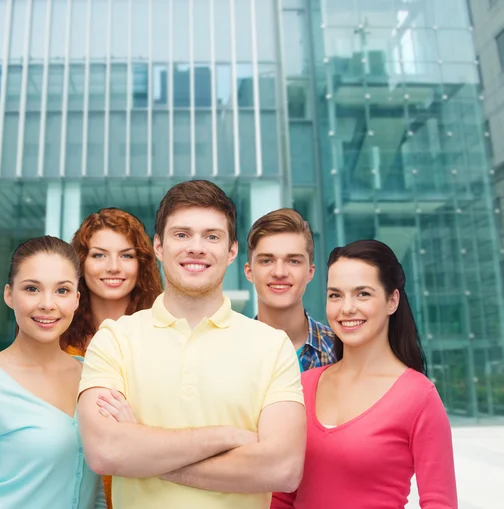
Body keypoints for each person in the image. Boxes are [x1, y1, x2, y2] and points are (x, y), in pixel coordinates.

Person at [77, 180, 306, 509]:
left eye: (211, 236)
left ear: (231, 251)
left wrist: (143, 451)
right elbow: (105, 452)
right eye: (181, 234)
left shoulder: (272, 346)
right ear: (158, 246)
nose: (196, 247)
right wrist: (226, 437)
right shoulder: (115, 339)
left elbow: (282, 469)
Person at [271, 240, 457, 509]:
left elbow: (439, 503)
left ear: (392, 301)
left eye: (363, 294)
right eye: (335, 295)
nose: (346, 308)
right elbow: (281, 496)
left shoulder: (419, 397)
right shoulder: (303, 385)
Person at [0, 236, 106, 509]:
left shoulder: (91, 375)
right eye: (32, 288)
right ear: (9, 295)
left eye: (62, 291)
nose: (47, 303)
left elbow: (97, 492)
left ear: (77, 300)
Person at [62, 207, 163, 508]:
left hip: (144, 495)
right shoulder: (58, 341)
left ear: (141, 264)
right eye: (99, 255)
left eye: (127, 255)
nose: (113, 267)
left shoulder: (163, 337)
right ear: (80, 262)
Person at [244, 208, 335, 371]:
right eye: (266, 261)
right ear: (249, 272)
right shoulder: (228, 351)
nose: (279, 272)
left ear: (310, 272)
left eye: (293, 261)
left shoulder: (341, 350)